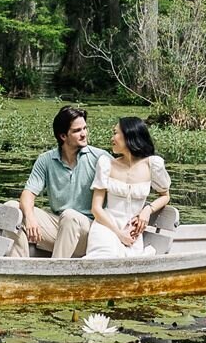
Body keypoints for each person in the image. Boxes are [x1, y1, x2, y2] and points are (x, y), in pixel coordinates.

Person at [11, 104, 107, 258]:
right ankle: (19, 270)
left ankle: (53, 276)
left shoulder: (100, 158)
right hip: (59, 226)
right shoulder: (46, 160)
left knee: (70, 216)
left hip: (89, 232)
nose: (84, 134)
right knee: (12, 209)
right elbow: (28, 193)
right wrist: (30, 218)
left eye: (85, 128)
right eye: (77, 131)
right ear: (63, 136)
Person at [84, 116, 171, 259]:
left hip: (132, 233)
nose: (112, 138)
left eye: (115, 133)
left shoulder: (152, 165)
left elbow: (165, 195)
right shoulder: (107, 164)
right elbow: (96, 208)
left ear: (129, 135)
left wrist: (147, 210)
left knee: (128, 264)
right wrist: (119, 234)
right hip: (106, 227)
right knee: (105, 257)